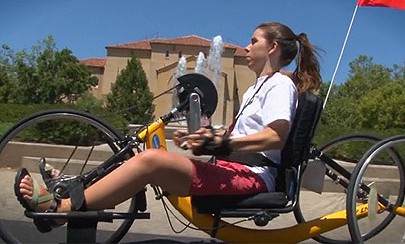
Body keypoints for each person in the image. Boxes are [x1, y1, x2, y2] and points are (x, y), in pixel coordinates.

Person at [14, 22, 321, 231]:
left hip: (252, 179)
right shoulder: (257, 87)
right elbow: (240, 136)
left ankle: (62, 209)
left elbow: (275, 136)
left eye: (254, 40)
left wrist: (224, 145)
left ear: (273, 47)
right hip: (233, 170)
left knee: (150, 160)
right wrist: (206, 138)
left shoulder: (280, 84)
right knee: (136, 153)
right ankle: (72, 185)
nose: (246, 46)